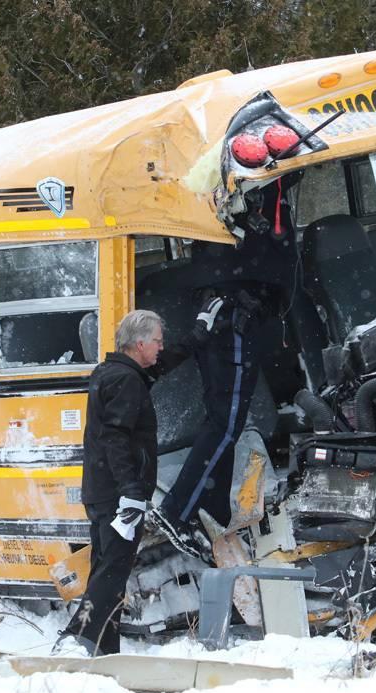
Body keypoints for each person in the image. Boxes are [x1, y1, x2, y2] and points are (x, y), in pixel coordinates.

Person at [52, 307, 218, 656]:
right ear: (139, 343)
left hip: (102, 492)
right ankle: (75, 639)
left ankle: (103, 649)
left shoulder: (113, 373)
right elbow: (115, 438)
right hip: (118, 496)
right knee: (112, 571)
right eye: (157, 341)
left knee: (107, 569)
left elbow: (160, 365)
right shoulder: (126, 381)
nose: (161, 346)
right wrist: (130, 491)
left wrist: (195, 338)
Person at [152, 175, 300, 548]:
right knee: (226, 421)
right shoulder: (238, 185)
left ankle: (211, 510)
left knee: (224, 418)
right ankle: (177, 512)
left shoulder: (253, 189)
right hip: (232, 313)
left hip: (230, 308)